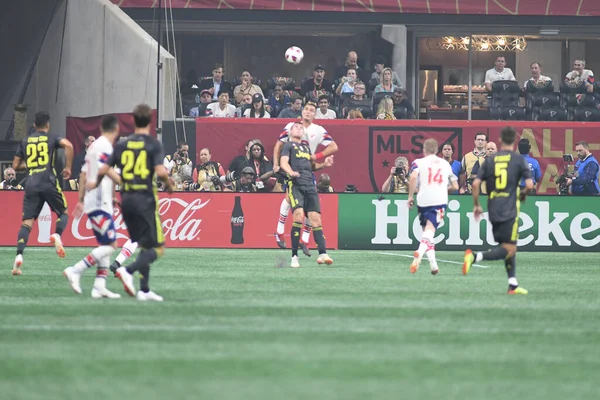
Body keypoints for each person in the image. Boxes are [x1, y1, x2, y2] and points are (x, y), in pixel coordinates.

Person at [93, 104, 174, 301]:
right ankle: (127, 271)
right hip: (145, 199)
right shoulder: (153, 144)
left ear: (133, 120)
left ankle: (144, 290)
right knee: (157, 248)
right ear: (150, 121)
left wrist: (98, 183)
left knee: (144, 245)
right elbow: (161, 171)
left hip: (126, 200)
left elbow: (103, 169)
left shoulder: (121, 145)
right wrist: (169, 184)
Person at [63, 115, 131, 298]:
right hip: (99, 202)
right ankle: (76, 270)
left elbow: (83, 174)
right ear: (116, 130)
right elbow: (105, 169)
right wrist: (125, 183)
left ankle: (99, 286)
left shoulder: (93, 146)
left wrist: (81, 199)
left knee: (105, 244)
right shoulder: (105, 147)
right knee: (112, 245)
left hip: (99, 200)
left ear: (101, 129)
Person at [463, 126, 534, 295]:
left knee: (507, 245)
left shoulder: (490, 160)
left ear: (500, 141)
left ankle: (512, 284)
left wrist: (476, 204)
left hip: (493, 205)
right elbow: (530, 185)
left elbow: (475, 184)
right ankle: (474, 257)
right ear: (514, 141)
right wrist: (523, 194)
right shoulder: (518, 160)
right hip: (510, 207)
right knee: (510, 249)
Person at [11, 111, 74, 276]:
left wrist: (31, 165)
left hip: (31, 184)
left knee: (27, 223)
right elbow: (69, 145)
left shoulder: (25, 140)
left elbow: (15, 165)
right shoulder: (52, 137)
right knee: (64, 213)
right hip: (48, 182)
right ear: (48, 125)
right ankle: (57, 235)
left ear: (34, 126)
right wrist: (67, 167)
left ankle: (19, 256)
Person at [272, 102, 339, 254]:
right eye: (306, 109)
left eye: (311, 111)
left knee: (311, 206)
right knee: (289, 198)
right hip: (291, 166)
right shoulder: (292, 126)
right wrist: (276, 164)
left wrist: (317, 156)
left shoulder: (318, 130)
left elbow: (334, 146)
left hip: (308, 169)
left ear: (315, 114)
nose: (308, 112)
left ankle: (305, 240)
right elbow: (278, 145)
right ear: (302, 112)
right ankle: (280, 231)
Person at [279, 121, 335, 267]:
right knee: (298, 217)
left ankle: (323, 253)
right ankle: (294, 256)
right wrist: (290, 172)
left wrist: (324, 164)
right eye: (295, 127)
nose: (298, 128)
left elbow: (312, 167)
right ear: (290, 132)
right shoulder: (288, 145)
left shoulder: (306, 148)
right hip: (295, 184)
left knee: (316, 219)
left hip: (310, 185)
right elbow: (283, 162)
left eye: (300, 127)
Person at [407, 139, 458, 275]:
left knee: (427, 232)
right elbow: (455, 186)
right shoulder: (445, 164)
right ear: (437, 150)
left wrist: (410, 196)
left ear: (424, 149)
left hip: (423, 200)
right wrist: (443, 188)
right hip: (439, 200)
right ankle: (420, 251)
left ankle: (433, 265)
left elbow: (413, 178)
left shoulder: (418, 162)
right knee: (430, 230)